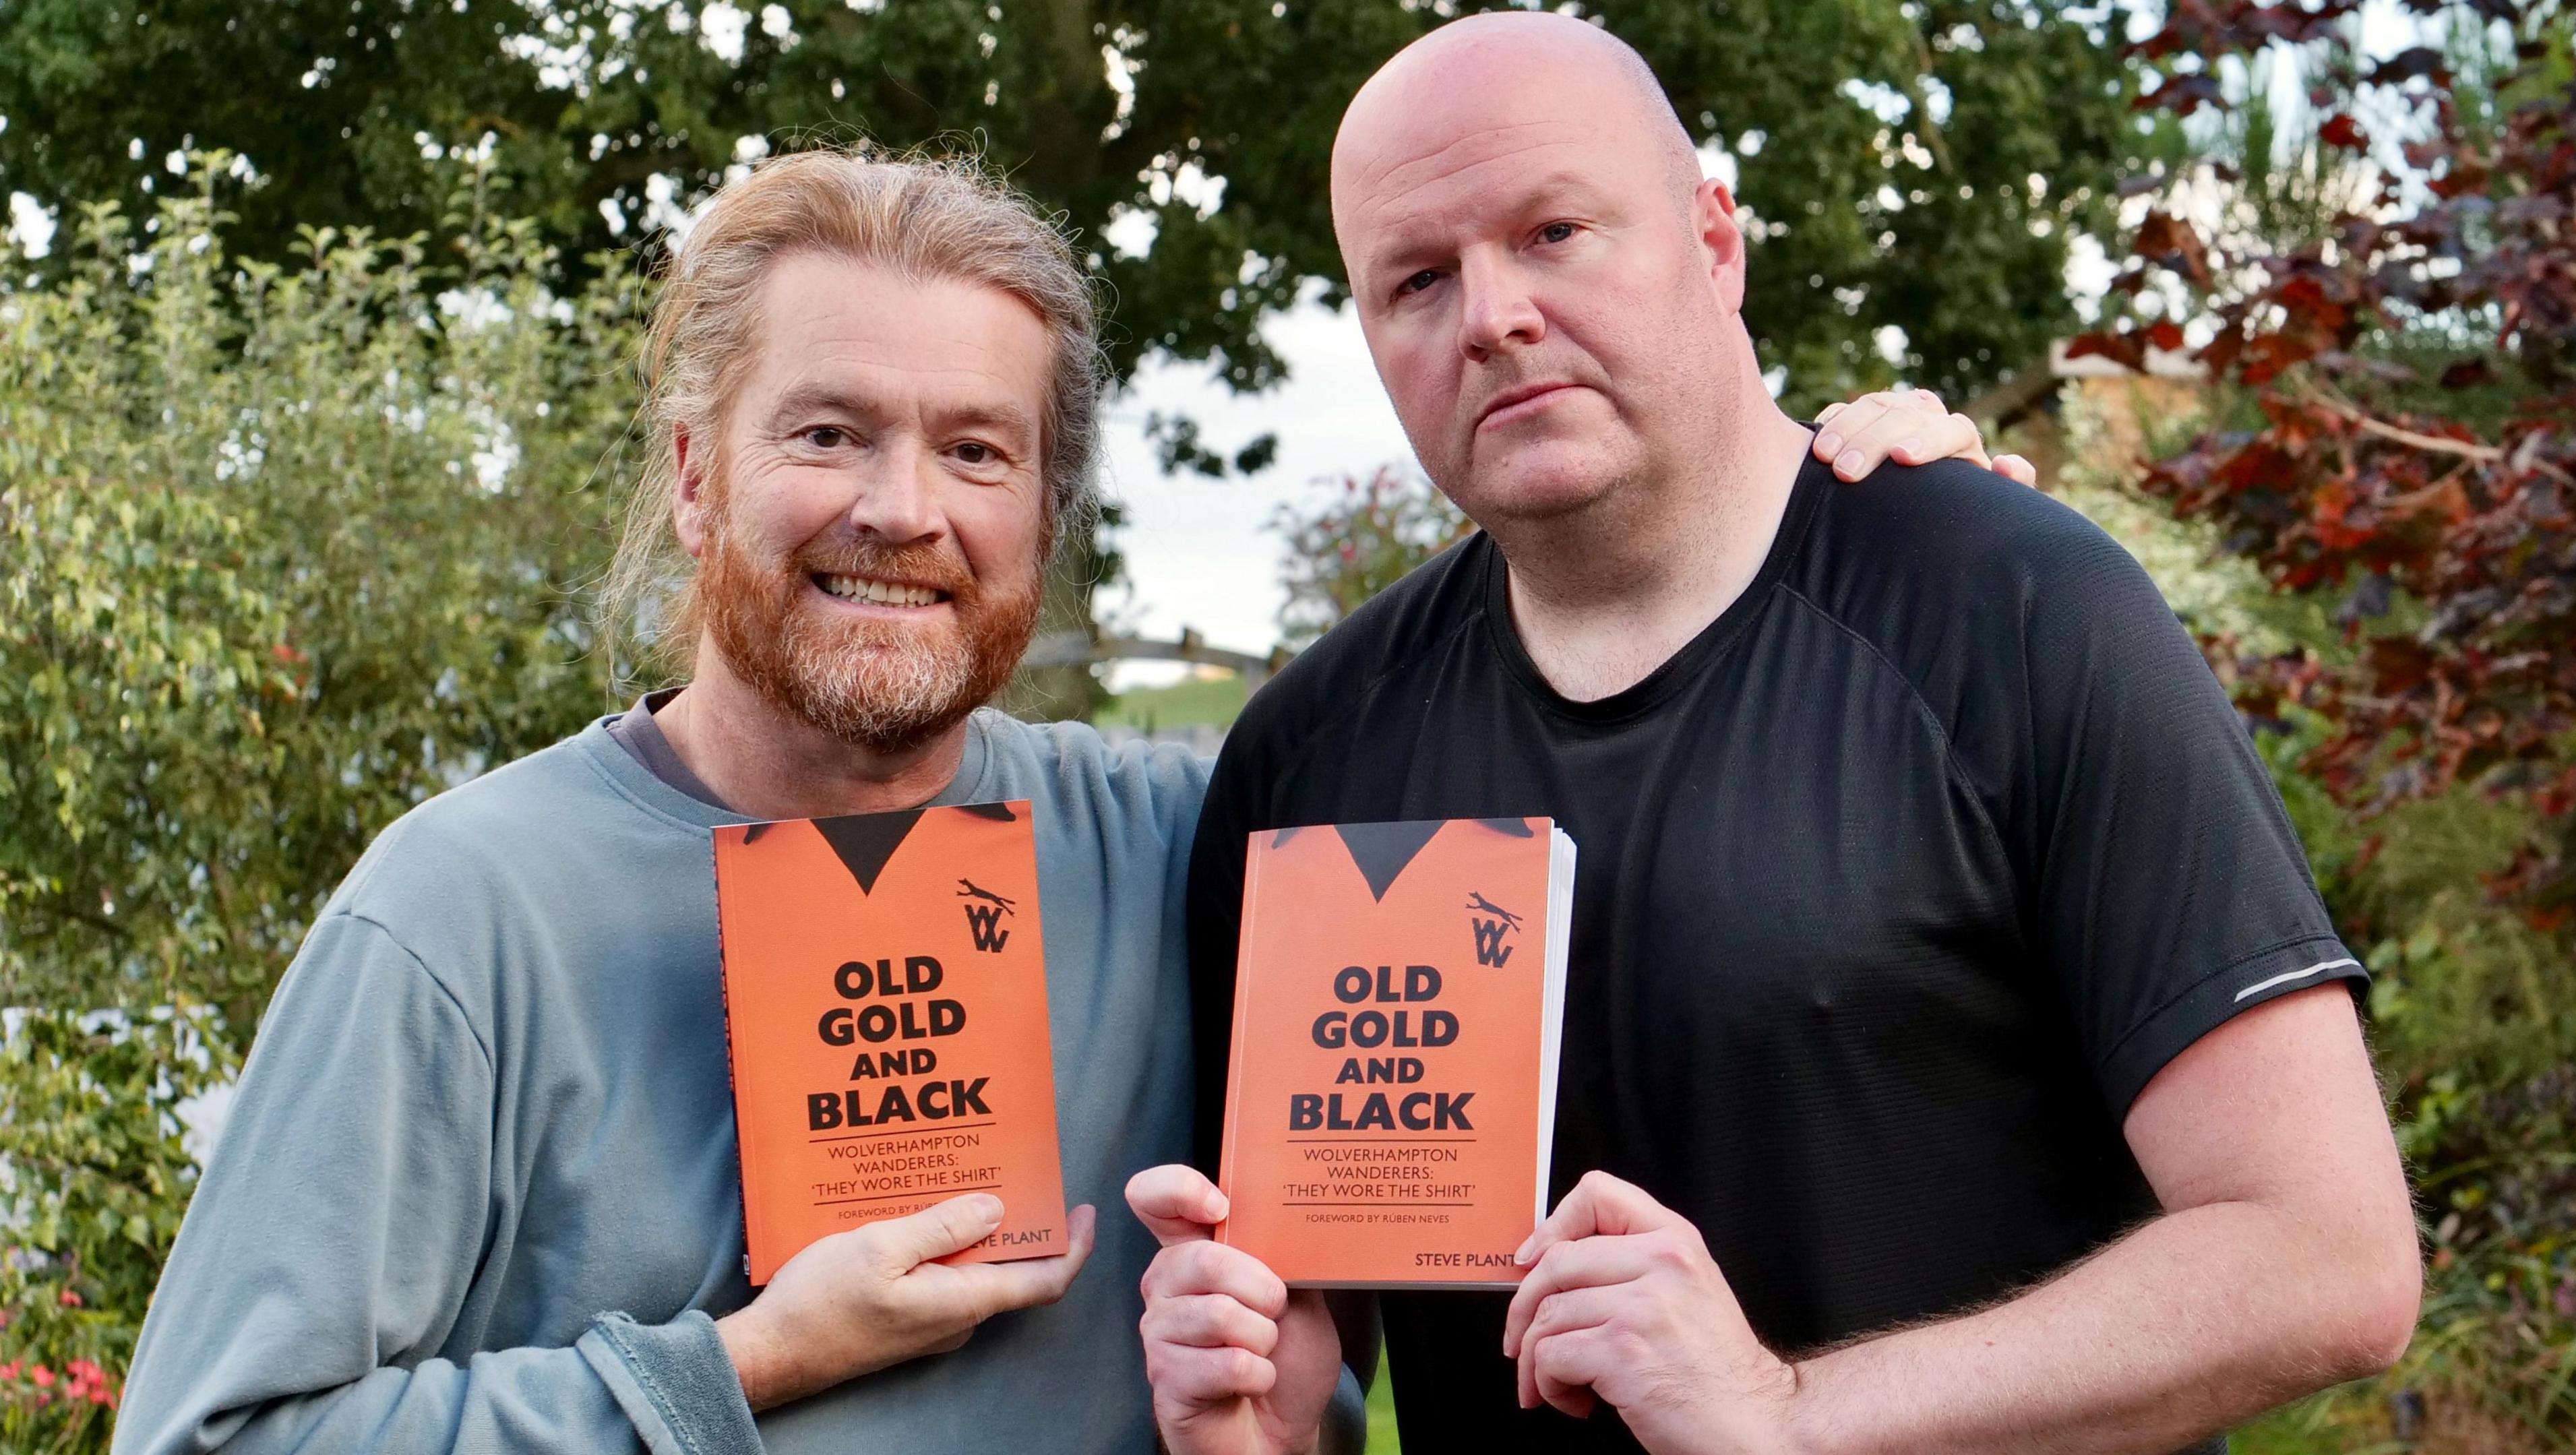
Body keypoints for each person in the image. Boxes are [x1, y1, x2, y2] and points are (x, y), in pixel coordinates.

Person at [111, 144, 2012, 1455]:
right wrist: (741, 1365)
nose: (902, 511)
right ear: (697, 478)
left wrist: (1838, 513)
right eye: (829, 432)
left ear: (1042, 515)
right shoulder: (462, 917)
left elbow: (1599, 772)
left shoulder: (1198, 843)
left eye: (976, 451)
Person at [1128, 14, 2422, 1455]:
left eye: (1555, 232)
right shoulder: (1313, 757)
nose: (1488, 313)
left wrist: (1791, 1413)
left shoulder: (2015, 613)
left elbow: (2326, 1258)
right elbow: (1318, 1352)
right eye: (1416, 279)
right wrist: (1246, 1406)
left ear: (1716, 242)